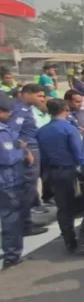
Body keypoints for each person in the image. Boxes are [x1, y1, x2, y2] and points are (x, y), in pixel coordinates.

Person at [37, 98, 84, 255]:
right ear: (66, 109)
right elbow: (80, 155)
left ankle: (69, 242)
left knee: (64, 209)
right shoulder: (69, 129)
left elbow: (43, 158)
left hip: (55, 172)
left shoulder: (42, 131)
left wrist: (45, 175)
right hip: (73, 172)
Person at [10, 84, 50, 235]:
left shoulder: (26, 109)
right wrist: (25, 151)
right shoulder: (19, 111)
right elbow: (13, 134)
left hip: (33, 149)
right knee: (27, 189)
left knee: (30, 189)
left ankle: (26, 221)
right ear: (27, 94)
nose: (42, 99)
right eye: (39, 96)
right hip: (28, 153)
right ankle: (24, 225)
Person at [0, 94, 33, 269]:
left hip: (8, 179)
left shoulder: (5, 129)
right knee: (11, 217)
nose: (10, 115)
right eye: (7, 112)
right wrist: (22, 152)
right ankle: (12, 254)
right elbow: (7, 158)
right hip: (7, 180)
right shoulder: (1, 132)